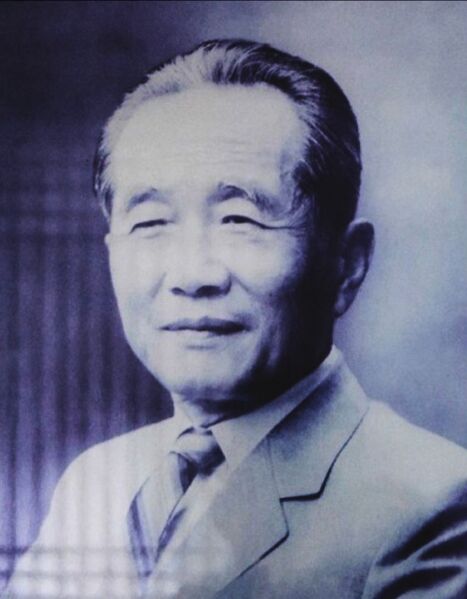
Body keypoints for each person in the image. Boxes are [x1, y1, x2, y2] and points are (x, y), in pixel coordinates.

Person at [4, 39, 467, 599]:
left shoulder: (431, 505)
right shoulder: (95, 483)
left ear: (345, 264)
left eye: (239, 219)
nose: (192, 274)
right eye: (151, 223)